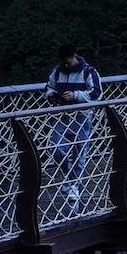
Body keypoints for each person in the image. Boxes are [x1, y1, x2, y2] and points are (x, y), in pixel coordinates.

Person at [44, 44, 103, 210]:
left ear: (75, 56)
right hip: (60, 115)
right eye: (64, 61)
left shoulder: (89, 72)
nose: (66, 65)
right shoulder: (57, 71)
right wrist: (52, 95)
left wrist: (76, 95)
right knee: (56, 148)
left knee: (79, 152)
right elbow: (48, 88)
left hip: (82, 117)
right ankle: (71, 180)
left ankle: (74, 186)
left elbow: (97, 93)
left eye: (68, 61)